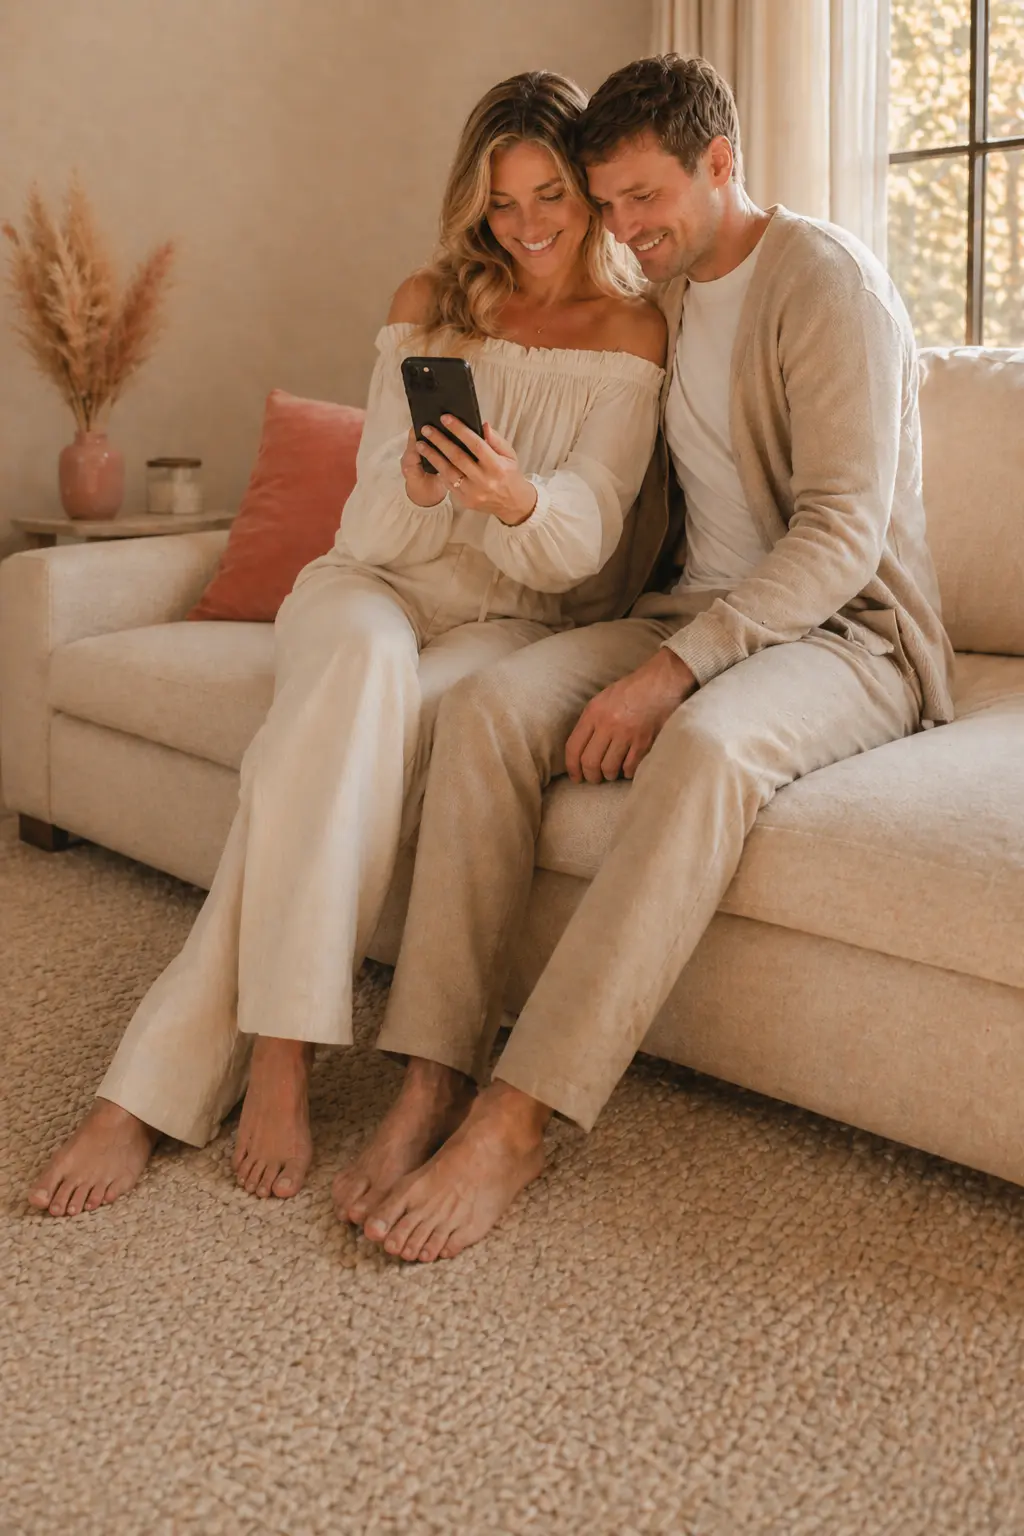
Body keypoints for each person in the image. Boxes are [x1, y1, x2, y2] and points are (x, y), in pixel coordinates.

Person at [336, 53, 956, 1264]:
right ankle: (430, 1073)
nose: (622, 228)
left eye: (644, 200)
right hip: (686, 609)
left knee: (710, 748)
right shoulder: (662, 296)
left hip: (846, 633)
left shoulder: (827, 284)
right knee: (487, 711)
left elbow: (841, 533)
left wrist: (672, 675)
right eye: (605, 203)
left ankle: (518, 1116)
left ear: (721, 164)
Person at [28, 71, 667, 1218]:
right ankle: (282, 1048)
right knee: (360, 675)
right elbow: (364, 519)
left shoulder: (632, 330)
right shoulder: (429, 297)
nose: (525, 227)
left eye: (549, 196)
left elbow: (588, 537)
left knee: (311, 764)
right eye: (501, 202)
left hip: (510, 618)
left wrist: (517, 501)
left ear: (585, 191)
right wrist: (420, 483)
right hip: (370, 582)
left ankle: (164, 1083)